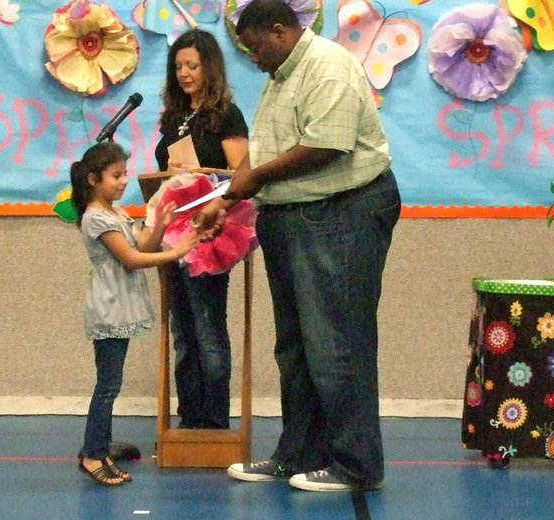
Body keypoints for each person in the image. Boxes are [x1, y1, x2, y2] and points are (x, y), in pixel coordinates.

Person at [194, 0, 402, 491]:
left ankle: (356, 464)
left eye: (256, 46)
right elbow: (263, 155)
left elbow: (327, 146)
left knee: (336, 341)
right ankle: (299, 454)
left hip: (342, 212)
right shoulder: (281, 77)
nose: (252, 57)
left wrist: (251, 182)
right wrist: (225, 199)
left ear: (282, 31)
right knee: (295, 347)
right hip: (292, 215)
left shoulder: (327, 67)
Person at [71, 142, 197, 486]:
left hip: (121, 307)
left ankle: (99, 449)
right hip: (109, 308)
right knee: (107, 385)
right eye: (116, 175)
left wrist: (161, 227)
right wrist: (178, 252)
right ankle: (92, 454)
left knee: (111, 384)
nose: (124, 181)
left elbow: (143, 245)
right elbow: (131, 259)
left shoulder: (117, 213)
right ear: (94, 180)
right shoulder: (96, 217)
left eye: (124, 173)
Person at [142, 29, 249, 429]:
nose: (184, 73)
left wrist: (201, 172)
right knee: (182, 331)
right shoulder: (174, 115)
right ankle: (188, 420)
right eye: (178, 67)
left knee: (207, 327)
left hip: (210, 229)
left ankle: (215, 422)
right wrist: (169, 174)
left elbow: (241, 175)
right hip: (172, 230)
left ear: (210, 67)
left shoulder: (226, 114)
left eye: (192, 65)